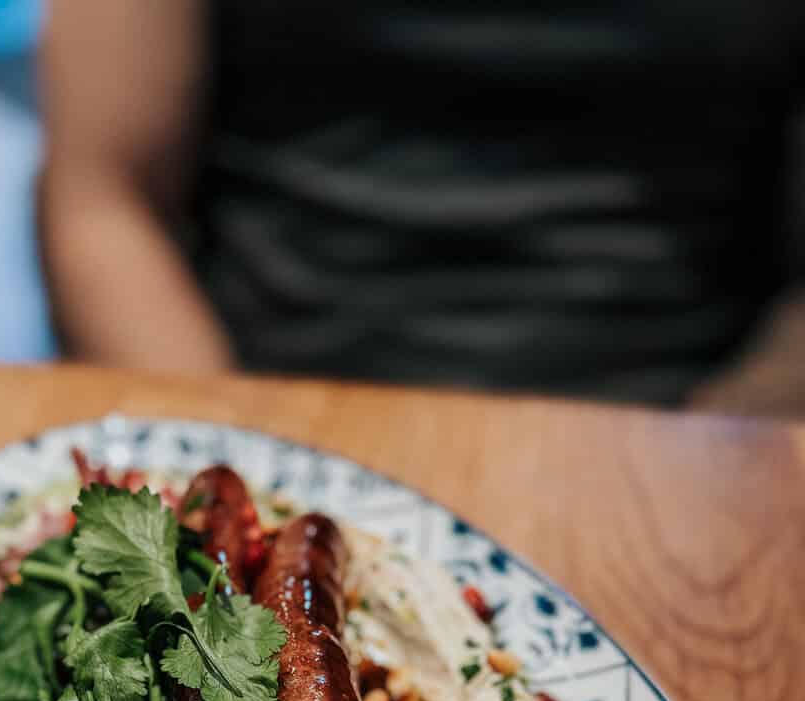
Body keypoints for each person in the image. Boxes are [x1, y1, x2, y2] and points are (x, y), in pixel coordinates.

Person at [40, 0, 805, 414]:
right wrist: (233, 458)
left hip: (680, 423)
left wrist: (718, 453)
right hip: (266, 394)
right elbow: (102, 193)